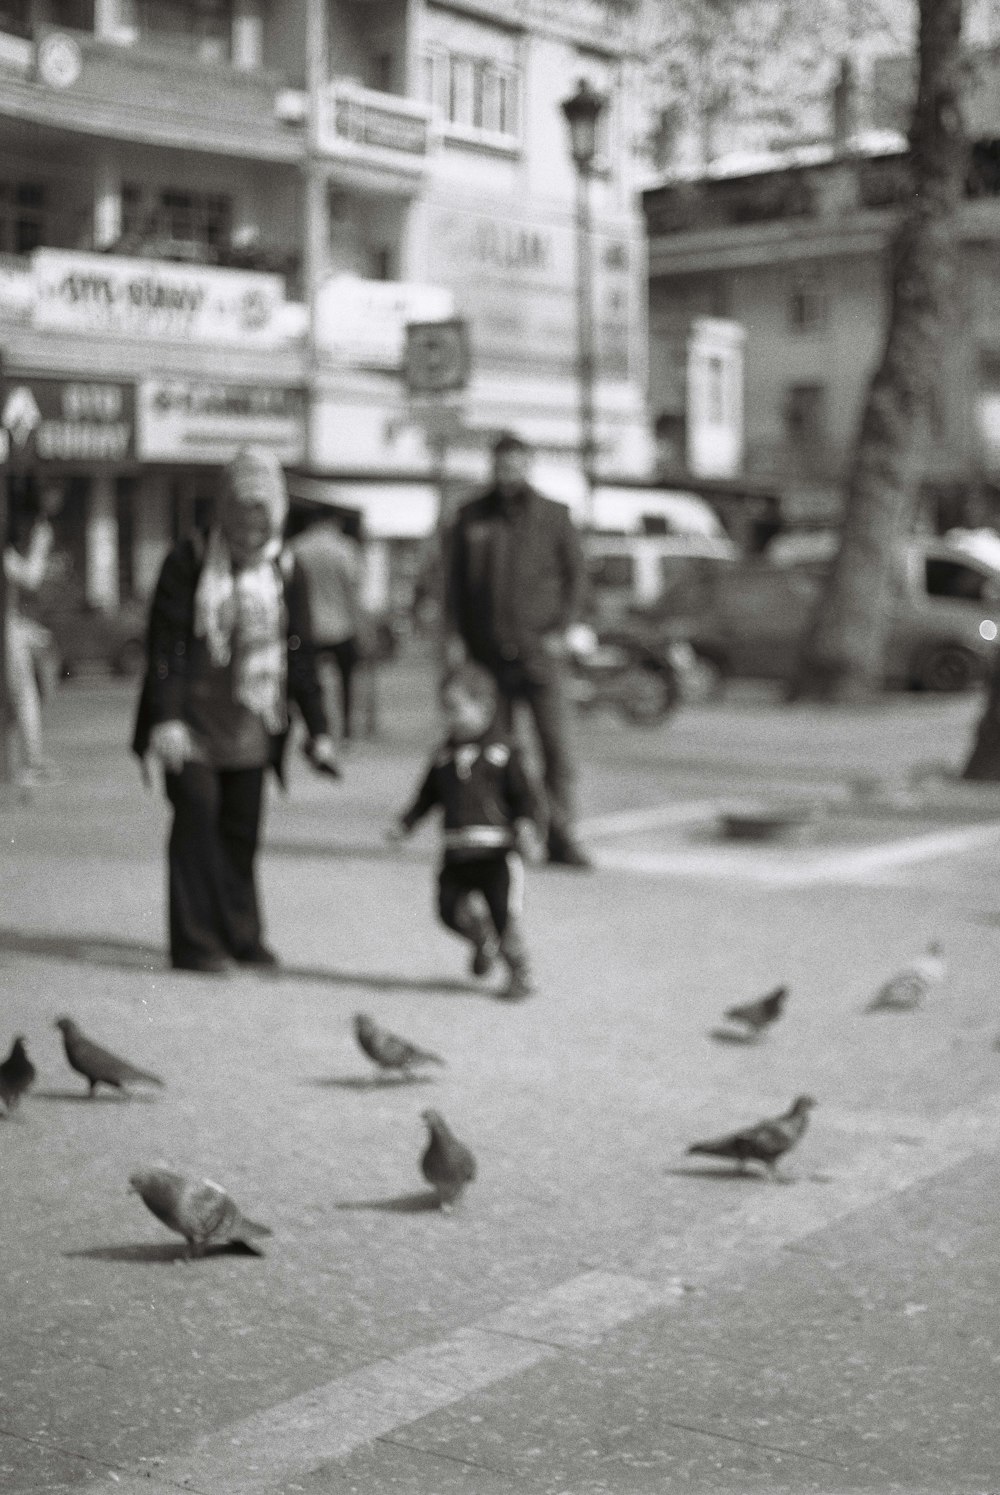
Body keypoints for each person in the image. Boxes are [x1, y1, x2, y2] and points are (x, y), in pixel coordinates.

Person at [131, 447, 339, 974]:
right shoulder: (189, 560)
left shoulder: (288, 570)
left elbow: (301, 656)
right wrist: (166, 719)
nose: (250, 530)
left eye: (260, 517)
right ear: (224, 510)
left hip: (252, 723)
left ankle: (242, 936)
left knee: (241, 832)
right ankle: (197, 943)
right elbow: (166, 648)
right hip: (190, 722)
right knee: (197, 818)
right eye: (241, 516)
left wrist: (319, 731)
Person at [445, 430, 592, 868]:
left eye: (517, 463)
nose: (509, 472)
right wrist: (455, 641)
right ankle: (504, 836)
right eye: (502, 464)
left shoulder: (553, 515)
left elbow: (578, 579)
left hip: (540, 655)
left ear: (530, 465)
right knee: (499, 753)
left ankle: (562, 837)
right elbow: (454, 586)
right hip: (488, 658)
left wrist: (562, 629)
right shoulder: (471, 516)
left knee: (557, 751)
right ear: (492, 466)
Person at [389, 662, 541, 1001]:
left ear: (484, 708)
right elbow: (426, 797)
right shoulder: (443, 757)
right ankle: (480, 939)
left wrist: (527, 827)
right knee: (446, 910)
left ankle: (520, 973)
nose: (450, 717)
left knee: (504, 917)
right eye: (445, 709)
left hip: (495, 853)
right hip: (456, 853)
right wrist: (405, 824)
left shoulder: (503, 753)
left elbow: (526, 798)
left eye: (456, 708)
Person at [289, 513, 363, 747]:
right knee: (346, 682)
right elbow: (353, 590)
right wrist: (360, 624)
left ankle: (317, 730)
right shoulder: (344, 548)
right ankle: (347, 732)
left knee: (308, 681)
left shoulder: (297, 547)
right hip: (341, 625)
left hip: (307, 625)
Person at [4, 491, 57, 790]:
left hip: (10, 628)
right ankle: (30, 763)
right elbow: (32, 577)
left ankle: (21, 763)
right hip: (7, 633)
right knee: (23, 696)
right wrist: (40, 545)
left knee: (17, 699)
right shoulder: (7, 555)